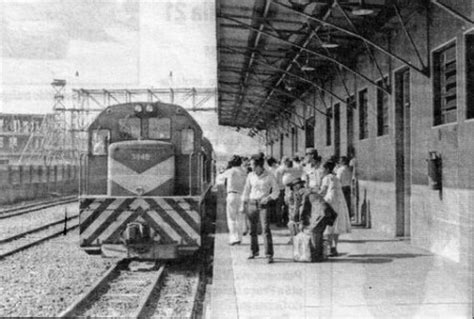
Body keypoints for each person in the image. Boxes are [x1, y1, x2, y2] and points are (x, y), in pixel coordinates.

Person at [240, 155, 279, 264]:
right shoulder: (250, 175)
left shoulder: (270, 176)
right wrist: (243, 205)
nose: (250, 166)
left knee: (265, 229)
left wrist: (268, 198)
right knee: (252, 230)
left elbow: (276, 191)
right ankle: (253, 251)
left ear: (259, 165)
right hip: (251, 203)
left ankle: (269, 254)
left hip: (263, 205)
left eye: (252, 164)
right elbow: (246, 190)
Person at [319, 160, 351, 256]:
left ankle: (328, 249)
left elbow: (323, 191)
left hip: (330, 202)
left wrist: (314, 194)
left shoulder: (326, 178)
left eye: (322, 168)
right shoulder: (335, 177)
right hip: (339, 202)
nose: (321, 170)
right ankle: (334, 248)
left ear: (327, 169)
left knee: (328, 225)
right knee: (336, 225)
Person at [216, 155, 248, 245]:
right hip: (241, 196)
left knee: (231, 218)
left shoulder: (231, 171)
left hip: (232, 195)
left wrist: (222, 172)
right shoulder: (244, 171)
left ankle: (234, 238)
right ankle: (240, 239)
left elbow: (219, 178)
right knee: (240, 218)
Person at [299, 192, 337, 262]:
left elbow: (303, 210)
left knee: (314, 233)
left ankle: (316, 257)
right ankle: (320, 256)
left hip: (322, 214)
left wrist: (302, 223)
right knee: (319, 234)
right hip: (328, 213)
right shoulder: (314, 194)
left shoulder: (305, 195)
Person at [285, 177, 306, 244]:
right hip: (293, 209)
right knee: (292, 224)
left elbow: (298, 203)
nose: (295, 186)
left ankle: (297, 238)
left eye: (297, 184)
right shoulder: (291, 193)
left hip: (300, 209)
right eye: (294, 185)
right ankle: (294, 238)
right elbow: (288, 202)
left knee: (296, 224)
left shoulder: (302, 191)